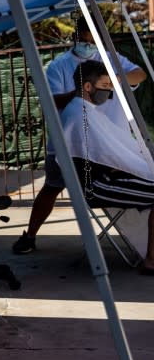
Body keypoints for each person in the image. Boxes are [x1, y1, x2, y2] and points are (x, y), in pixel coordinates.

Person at [11, 16, 146, 254]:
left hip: (107, 144)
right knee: (52, 187)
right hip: (71, 146)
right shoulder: (59, 66)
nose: (90, 44)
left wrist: (110, 82)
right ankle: (30, 234)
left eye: (95, 39)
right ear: (76, 36)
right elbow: (52, 102)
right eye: (85, 39)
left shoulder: (110, 60)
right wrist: (83, 93)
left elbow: (139, 74)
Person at [61, 61, 154, 274]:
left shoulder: (85, 110)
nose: (109, 90)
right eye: (105, 85)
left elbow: (109, 153)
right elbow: (101, 159)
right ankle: (151, 260)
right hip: (97, 186)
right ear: (87, 87)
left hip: (105, 177)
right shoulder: (79, 114)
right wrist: (137, 167)